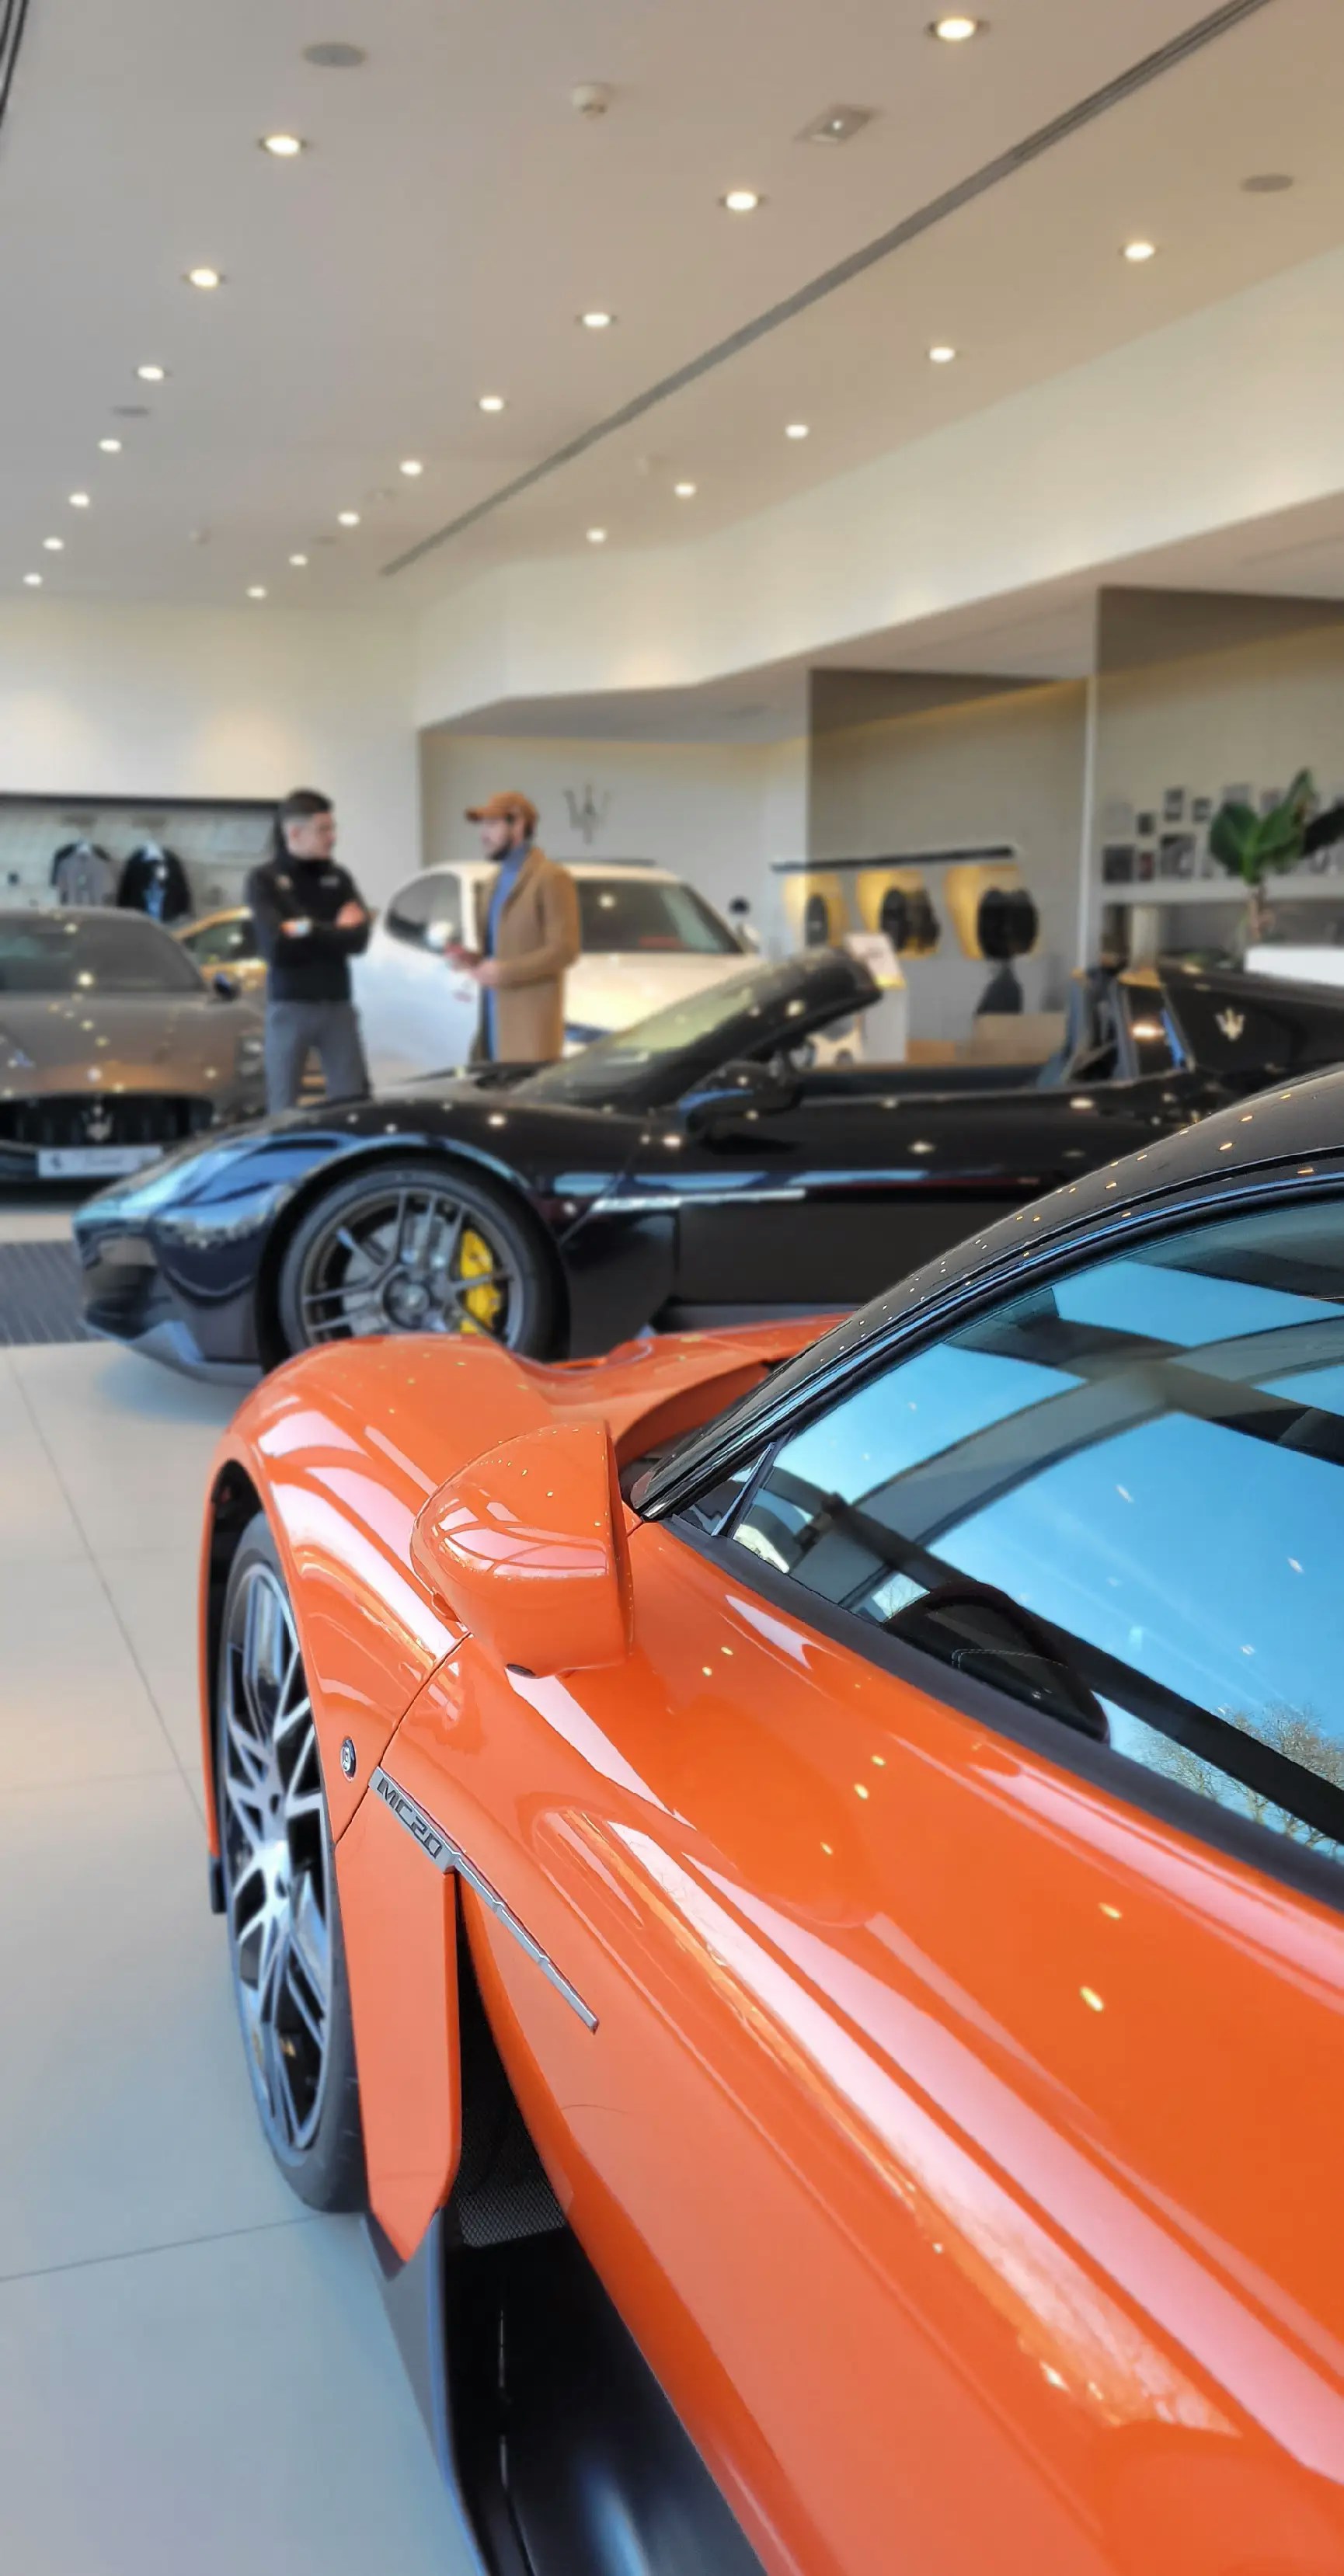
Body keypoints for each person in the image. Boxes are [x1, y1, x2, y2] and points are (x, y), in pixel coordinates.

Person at [246, 787, 371, 1112]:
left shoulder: (339, 878)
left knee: (351, 1106)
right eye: (324, 830)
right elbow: (276, 945)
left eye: (332, 828)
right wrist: (331, 929)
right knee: (282, 1107)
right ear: (295, 833)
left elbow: (359, 939)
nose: (333, 838)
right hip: (290, 1008)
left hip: (337, 1006)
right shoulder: (265, 880)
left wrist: (304, 928)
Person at [451, 792, 580, 1062]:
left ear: (518, 825)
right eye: (483, 826)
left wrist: (504, 972)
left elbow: (565, 950)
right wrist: (472, 960)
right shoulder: (490, 885)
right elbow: (498, 954)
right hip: (491, 1030)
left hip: (529, 1037)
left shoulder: (551, 878)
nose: (483, 835)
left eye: (492, 825)